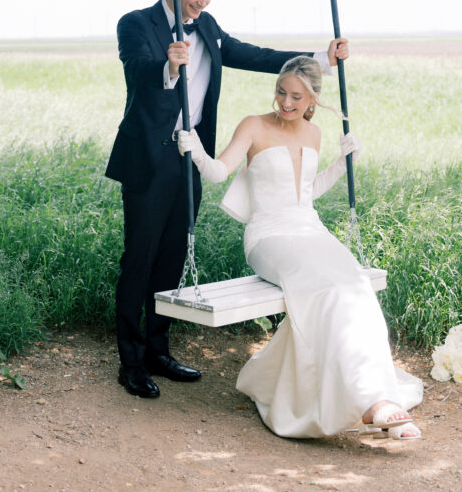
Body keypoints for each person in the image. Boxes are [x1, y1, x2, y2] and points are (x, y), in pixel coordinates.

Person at [105, 0, 347, 399]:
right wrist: (169, 66)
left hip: (189, 158)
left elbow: (254, 55)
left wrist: (320, 58)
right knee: (140, 258)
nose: (203, 1)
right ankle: (131, 362)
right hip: (149, 160)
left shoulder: (210, 29)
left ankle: (159, 350)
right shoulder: (135, 23)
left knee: (172, 258)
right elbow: (138, 70)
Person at [176, 56, 424, 439]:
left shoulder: (314, 134)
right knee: (323, 288)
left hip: (310, 231)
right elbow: (219, 171)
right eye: (281, 92)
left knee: (355, 285)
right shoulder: (254, 126)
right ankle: (370, 403)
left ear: (312, 100)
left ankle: (378, 394)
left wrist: (343, 164)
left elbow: (306, 195)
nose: (286, 103)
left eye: (296, 97)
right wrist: (195, 151)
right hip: (270, 237)